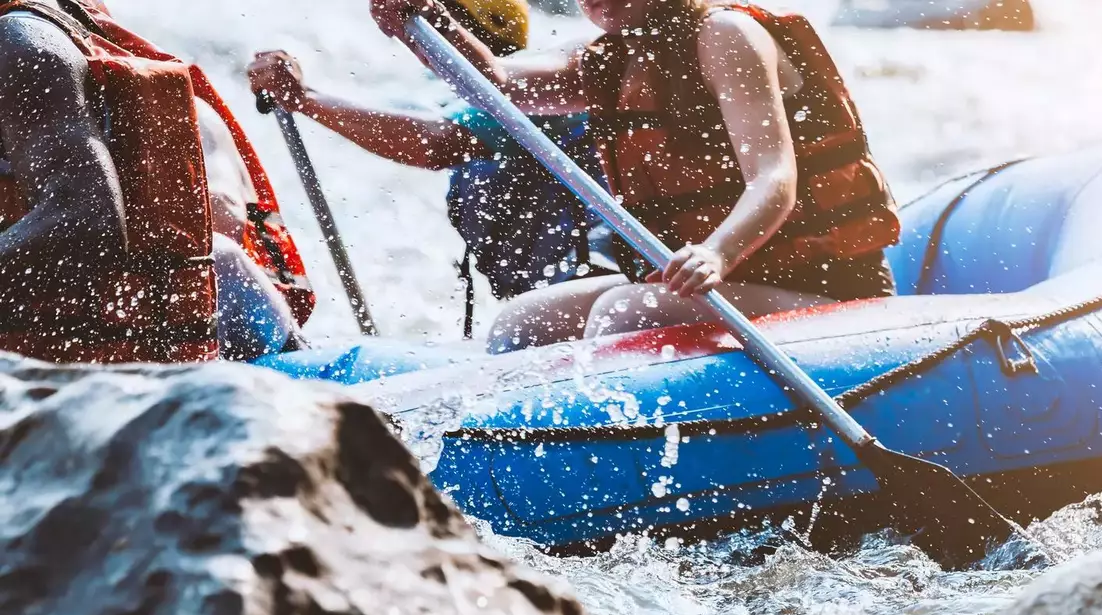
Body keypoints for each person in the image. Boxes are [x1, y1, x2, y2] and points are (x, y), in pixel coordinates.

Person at [368, 0, 902, 354]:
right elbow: (497, 83)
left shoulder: (726, 34)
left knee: (626, 310)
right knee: (522, 324)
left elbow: (773, 177)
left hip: (821, 289)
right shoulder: (616, 59)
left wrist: (716, 252)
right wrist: (423, 27)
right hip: (719, 285)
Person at [247, 0, 606, 341]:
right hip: (553, 289)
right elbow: (403, 113)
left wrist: (306, 99)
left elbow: (434, 141)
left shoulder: (546, 85)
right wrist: (305, 95)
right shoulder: (458, 89)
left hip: (595, 276)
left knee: (520, 327)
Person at [0, 0, 315, 364]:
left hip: (212, 324)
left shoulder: (24, 44)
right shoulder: (64, 69)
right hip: (138, 328)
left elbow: (87, 219)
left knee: (218, 253)